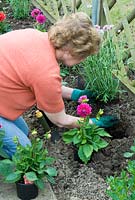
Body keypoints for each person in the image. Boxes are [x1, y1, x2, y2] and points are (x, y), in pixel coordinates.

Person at [0, 12, 118, 158]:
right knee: (24, 152)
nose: (83, 60)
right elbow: (60, 120)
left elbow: (40, 84)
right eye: (84, 56)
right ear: (72, 51)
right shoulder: (46, 72)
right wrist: (95, 122)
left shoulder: (35, 36)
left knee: (22, 132)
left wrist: (76, 94)